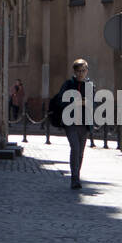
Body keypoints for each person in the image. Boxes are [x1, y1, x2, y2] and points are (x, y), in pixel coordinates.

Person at [52, 59, 93, 190]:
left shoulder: (90, 86)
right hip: (71, 123)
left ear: (87, 71)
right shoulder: (68, 84)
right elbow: (60, 100)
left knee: (80, 152)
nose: (81, 73)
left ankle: (77, 175)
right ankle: (74, 179)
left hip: (85, 124)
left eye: (84, 71)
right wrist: (75, 102)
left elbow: (94, 104)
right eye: (79, 71)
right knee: (75, 148)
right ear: (74, 72)